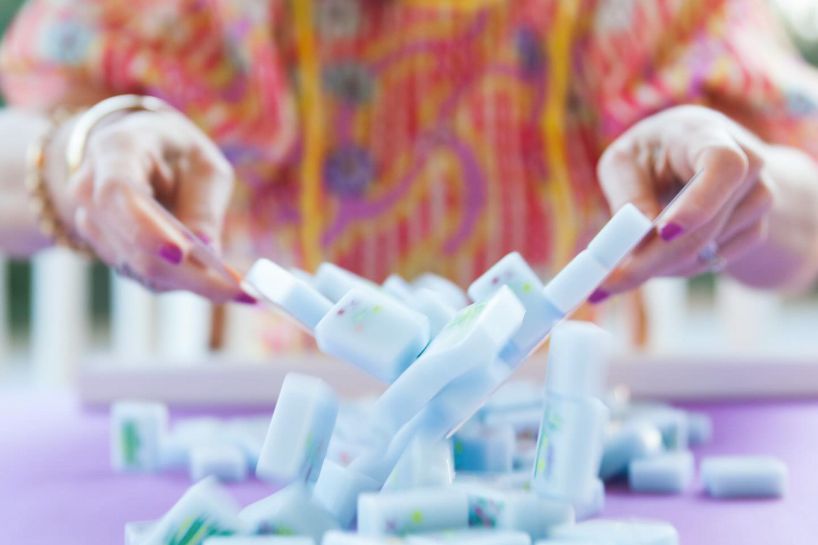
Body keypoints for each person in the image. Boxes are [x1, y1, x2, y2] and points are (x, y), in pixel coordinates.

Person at [1, 0, 818, 308]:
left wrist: (740, 187)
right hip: (288, 425)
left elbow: (805, 223)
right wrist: (83, 155)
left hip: (574, 426)